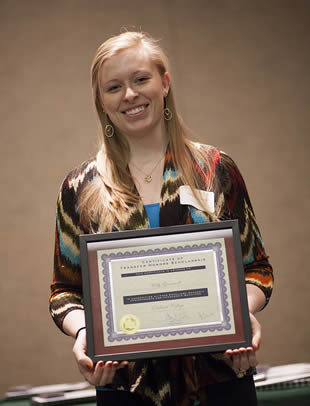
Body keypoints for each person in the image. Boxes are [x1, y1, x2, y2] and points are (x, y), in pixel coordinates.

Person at [49, 31, 273, 406]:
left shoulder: (215, 170)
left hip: (218, 380)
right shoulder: (80, 187)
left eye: (141, 79)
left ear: (164, 82)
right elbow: (65, 292)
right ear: (101, 101)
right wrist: (86, 332)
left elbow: (257, 269)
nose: (130, 95)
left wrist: (240, 314)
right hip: (126, 386)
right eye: (114, 87)